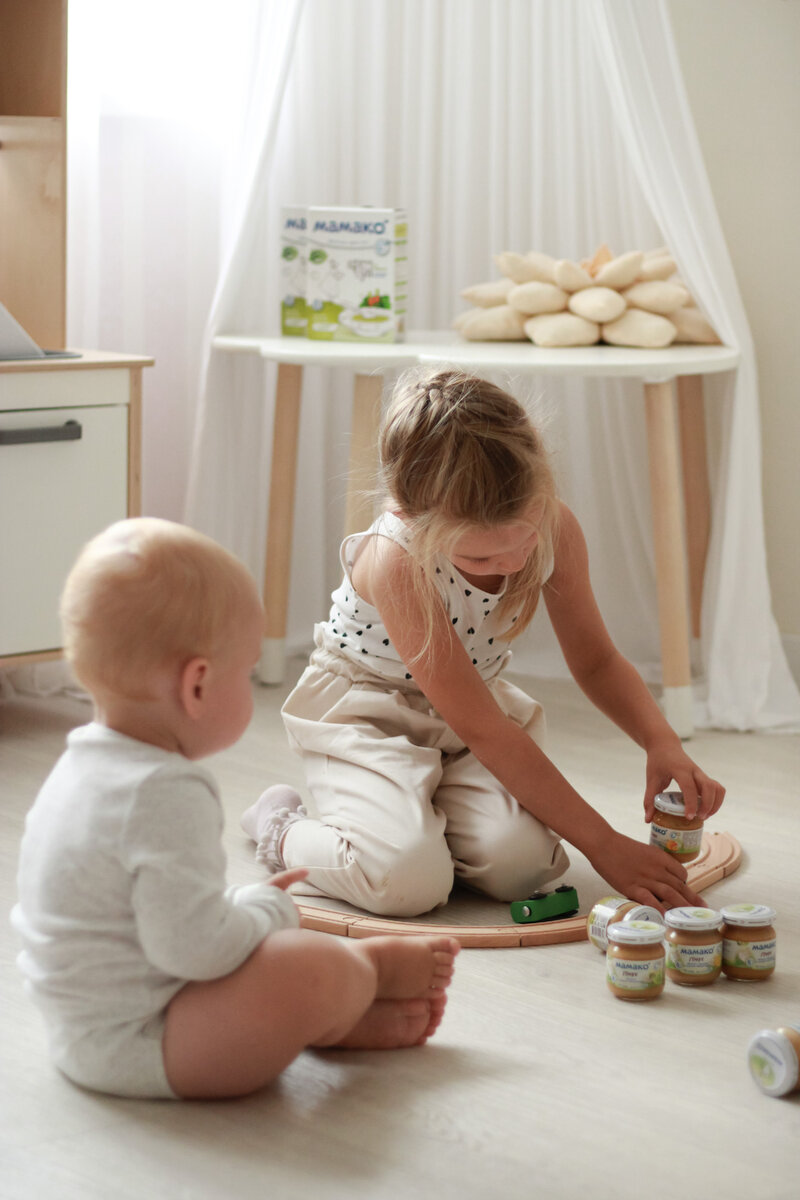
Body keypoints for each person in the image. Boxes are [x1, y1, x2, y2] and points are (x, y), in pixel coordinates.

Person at [242, 367, 725, 918]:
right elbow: (486, 729)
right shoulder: (396, 560)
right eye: (480, 558)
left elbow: (595, 660)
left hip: (465, 722)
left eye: (524, 535)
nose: (515, 562)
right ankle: (280, 825)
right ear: (406, 513)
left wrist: (660, 740)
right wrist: (604, 844)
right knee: (405, 885)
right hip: (366, 716)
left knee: (522, 867)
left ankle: (418, 823)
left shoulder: (554, 526)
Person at [11, 518, 459, 1100]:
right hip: (144, 1041)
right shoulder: (164, 791)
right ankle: (359, 982)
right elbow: (197, 952)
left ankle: (342, 1006)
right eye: (245, 673)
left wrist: (249, 905)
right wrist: (274, 914)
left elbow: (157, 915)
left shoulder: (80, 768)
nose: (251, 687)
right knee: (308, 966)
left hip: (86, 1033)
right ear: (197, 686)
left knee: (278, 939)